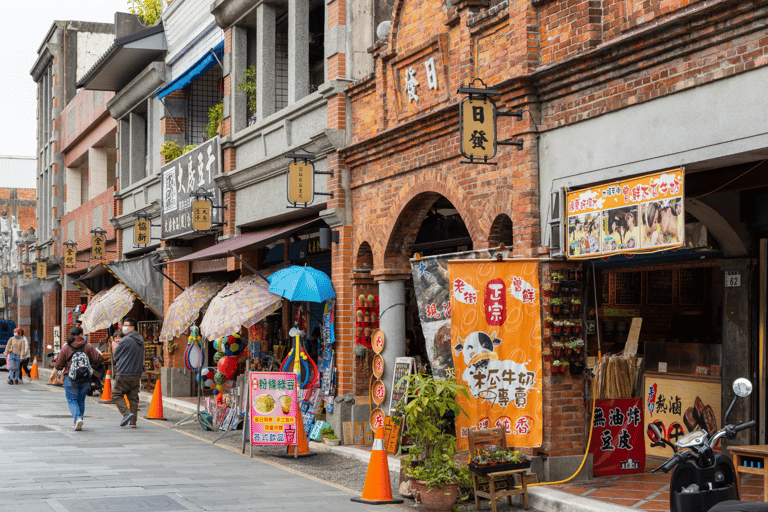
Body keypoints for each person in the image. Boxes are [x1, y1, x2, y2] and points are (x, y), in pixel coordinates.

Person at [54, 327, 104, 430]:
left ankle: (77, 419)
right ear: (81, 335)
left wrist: (53, 374)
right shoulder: (88, 346)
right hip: (86, 378)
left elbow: (59, 364)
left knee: (72, 400)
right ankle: (78, 419)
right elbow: (98, 359)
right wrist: (101, 355)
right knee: (81, 400)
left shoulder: (66, 347)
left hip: (70, 378)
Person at [112, 317, 144, 428]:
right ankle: (133, 422)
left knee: (116, 395)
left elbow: (116, 355)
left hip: (124, 372)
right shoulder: (140, 340)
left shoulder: (125, 340)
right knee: (133, 397)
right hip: (137, 373)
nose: (123, 328)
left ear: (132, 327)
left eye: (126, 325)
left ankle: (127, 414)